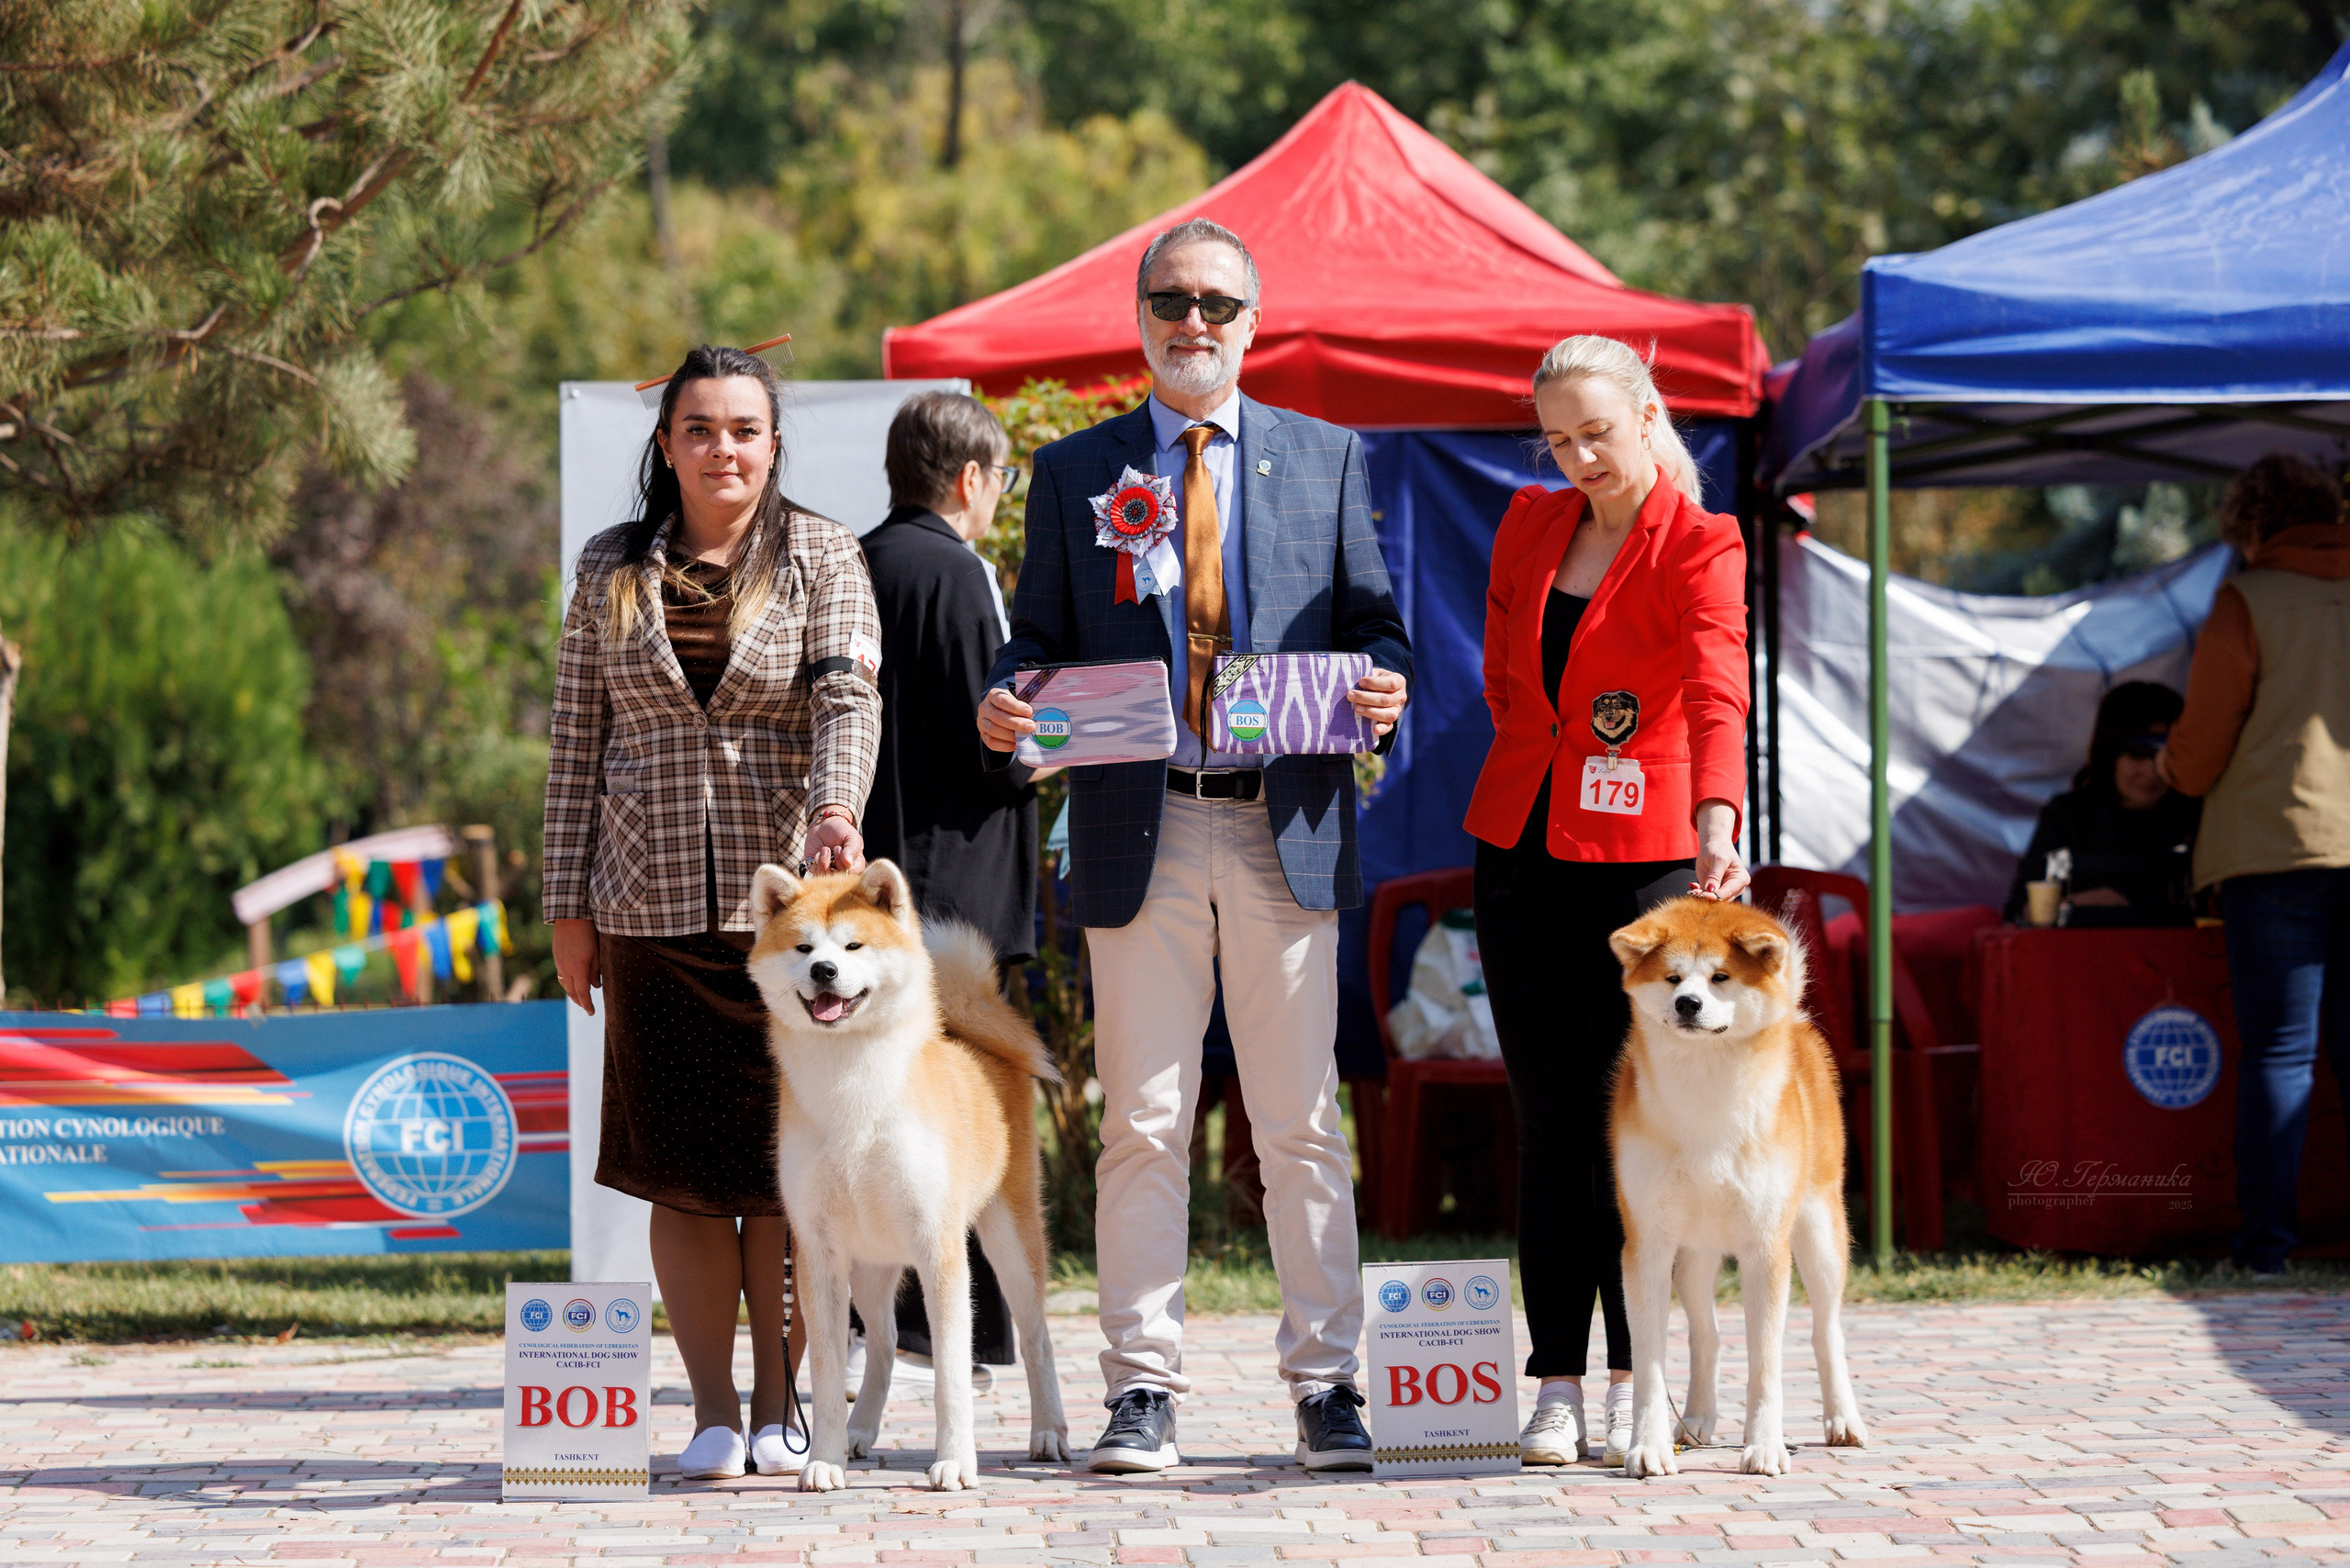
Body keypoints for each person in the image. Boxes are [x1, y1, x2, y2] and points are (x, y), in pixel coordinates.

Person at [976, 218, 1411, 1473]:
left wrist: (1382, 684)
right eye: (1172, 298)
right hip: (1138, 820)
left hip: (1288, 825)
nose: (1195, 320)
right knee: (1145, 1124)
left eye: (1219, 302)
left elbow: (1380, 628)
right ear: (1141, 315)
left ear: (1253, 321)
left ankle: (1329, 1387)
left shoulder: (1326, 459)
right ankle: (1142, 1394)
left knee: (1302, 1124)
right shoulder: (1072, 472)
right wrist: (1010, 697)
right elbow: (1033, 640)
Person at [543, 343, 883, 1480]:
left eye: (743, 428)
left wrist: (837, 805)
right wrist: (566, 906)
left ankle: (789, 1404)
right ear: (665, 443)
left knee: (787, 1176)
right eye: (700, 428)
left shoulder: (824, 552)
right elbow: (574, 738)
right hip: (640, 906)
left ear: (773, 441)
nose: (722, 447)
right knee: (680, 1170)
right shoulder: (610, 566)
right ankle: (710, 1413)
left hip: (787, 922)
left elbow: (848, 691)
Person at [1460, 334, 1750, 1468]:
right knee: (1549, 1121)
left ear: (1646, 412)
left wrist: (1717, 817)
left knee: (1640, 1130)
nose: (1581, 455)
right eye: (1559, 436)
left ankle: (1643, 1374)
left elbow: (1720, 680)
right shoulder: (1529, 522)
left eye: (1599, 431)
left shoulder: (1701, 539)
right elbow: (1500, 671)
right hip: (1521, 841)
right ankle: (1556, 1382)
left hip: (1645, 859)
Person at [861, 389, 1033, 1377]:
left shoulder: (855, 561)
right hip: (956, 885)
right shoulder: (957, 569)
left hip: (877, 887)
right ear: (971, 478)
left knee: (885, 1098)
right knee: (956, 1105)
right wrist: (1052, 749)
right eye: (999, 481)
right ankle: (951, 1319)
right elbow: (991, 731)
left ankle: (890, 1317)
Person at [2157, 452, 2350, 1274]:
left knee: (2280, 1053)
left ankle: (2266, 1248)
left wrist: (2170, 771)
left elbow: (2201, 750)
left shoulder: (2248, 601)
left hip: (2277, 851)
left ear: (2254, 525)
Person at [2002, 681, 2199, 926]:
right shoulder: (2068, 817)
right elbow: (2020, 909)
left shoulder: (2195, 817)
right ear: (2110, 754)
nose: (2152, 771)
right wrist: (2076, 905)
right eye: (2137, 755)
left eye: (2166, 755)